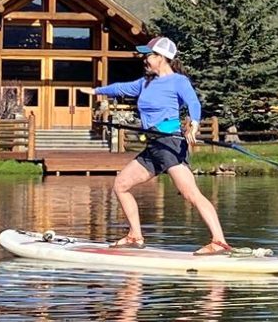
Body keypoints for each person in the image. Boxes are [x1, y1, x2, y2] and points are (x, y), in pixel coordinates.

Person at [93, 36, 230, 254]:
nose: (144, 59)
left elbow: (193, 102)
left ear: (162, 58)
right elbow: (121, 88)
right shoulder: (146, 82)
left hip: (170, 144)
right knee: (121, 185)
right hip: (154, 146)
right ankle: (135, 236)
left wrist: (194, 123)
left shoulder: (178, 81)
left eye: (149, 55)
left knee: (190, 194)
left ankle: (219, 242)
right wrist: (95, 91)